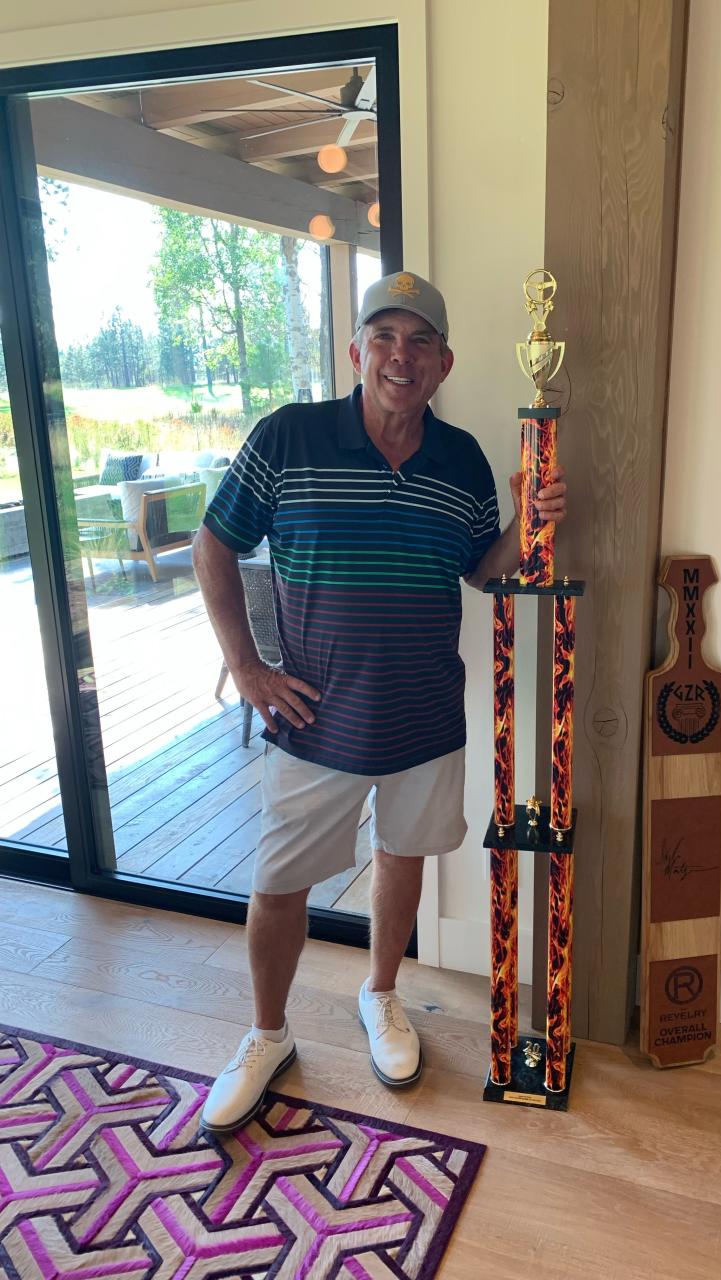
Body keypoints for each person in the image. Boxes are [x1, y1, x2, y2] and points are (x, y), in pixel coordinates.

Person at [193, 269, 566, 1134]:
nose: (402, 355)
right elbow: (213, 548)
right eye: (385, 337)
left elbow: (484, 569)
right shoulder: (289, 436)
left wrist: (532, 522)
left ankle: (382, 995)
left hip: (425, 717)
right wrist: (246, 670)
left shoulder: (463, 457)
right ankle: (266, 1034)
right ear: (356, 350)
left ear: (443, 363)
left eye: (420, 341)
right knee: (281, 881)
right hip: (312, 720)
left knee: (404, 856)